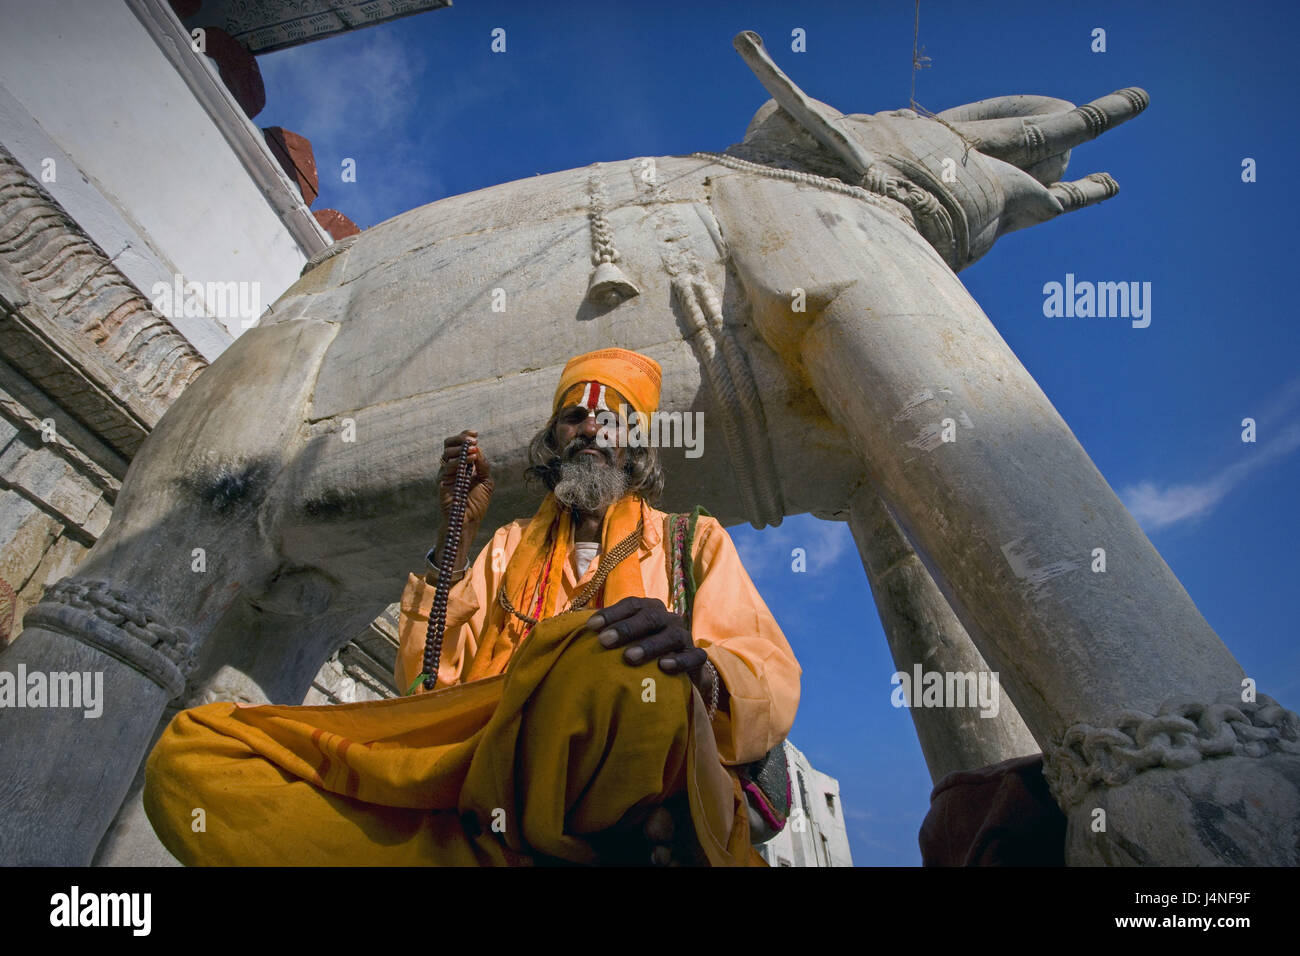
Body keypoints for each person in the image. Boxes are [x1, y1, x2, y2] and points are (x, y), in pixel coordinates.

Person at [144, 347, 800, 866]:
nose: (591, 429)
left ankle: (610, 832)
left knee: (626, 669)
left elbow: (764, 675)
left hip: (629, 789)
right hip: (480, 799)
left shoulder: (693, 541)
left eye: (611, 418)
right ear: (555, 440)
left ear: (638, 446)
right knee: (195, 756)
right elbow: (428, 687)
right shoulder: (507, 545)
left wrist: (694, 665)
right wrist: (453, 534)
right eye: (575, 417)